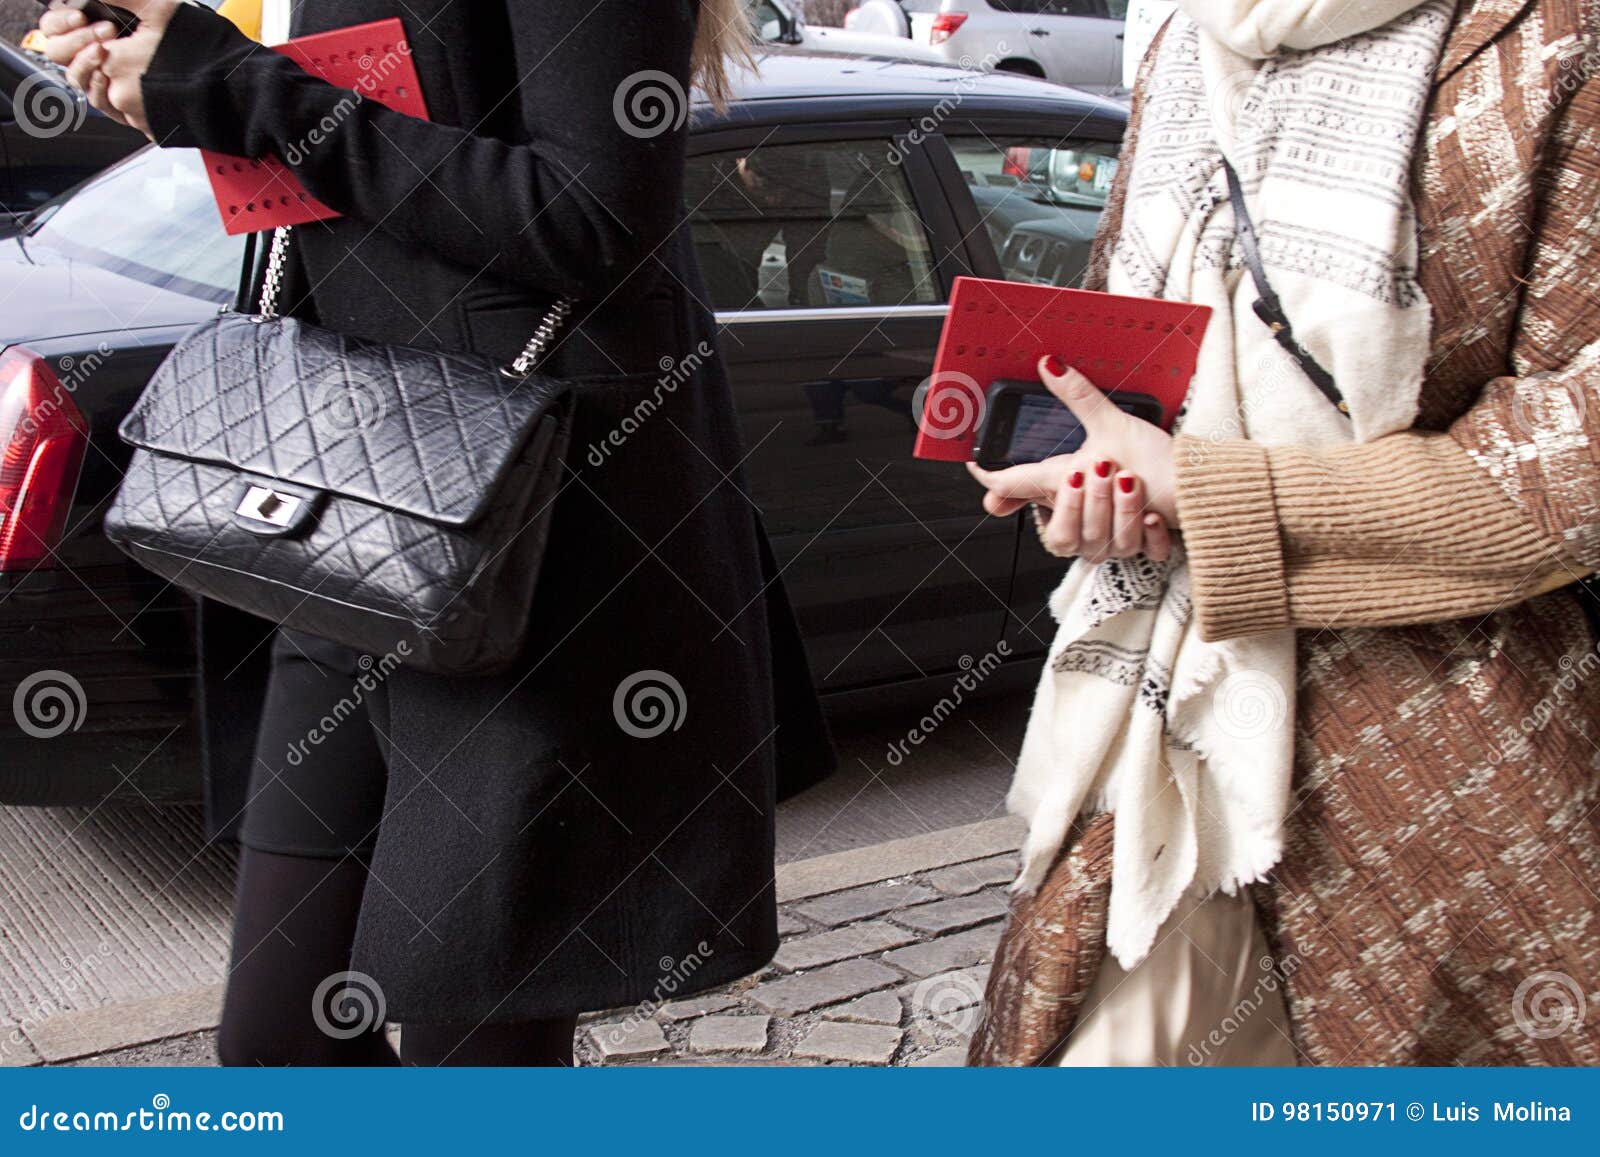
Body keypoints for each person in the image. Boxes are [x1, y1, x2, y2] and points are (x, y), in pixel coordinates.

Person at [38, 0, 834, 1066]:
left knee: (478, 1053)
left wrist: (235, 87)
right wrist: (174, 79)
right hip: (353, 510)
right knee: (282, 1040)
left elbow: (594, 215)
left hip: (531, 539)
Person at [965, 0, 1600, 1066]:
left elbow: (1577, 452)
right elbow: (1136, 335)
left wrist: (1211, 496)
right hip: (1158, 726)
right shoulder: (1185, 34)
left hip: (1456, 759)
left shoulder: (1558, 39)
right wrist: (1098, 476)